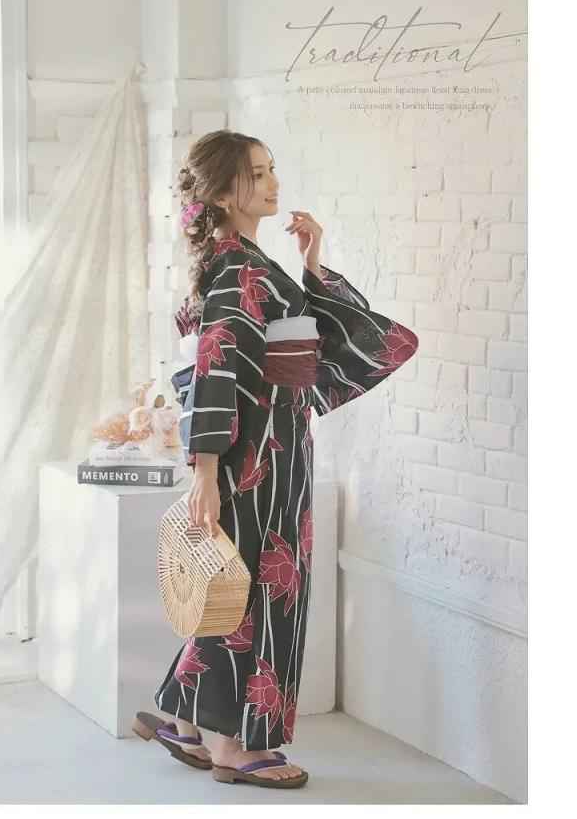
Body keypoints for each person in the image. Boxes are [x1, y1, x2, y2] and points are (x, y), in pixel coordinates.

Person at [149, 130, 419, 787]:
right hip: (257, 451)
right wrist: (206, 471)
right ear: (222, 194)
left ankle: (189, 724)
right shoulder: (238, 271)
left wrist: (313, 261)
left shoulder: (242, 261)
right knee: (256, 592)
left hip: (271, 440)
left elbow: (295, 341)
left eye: (272, 169)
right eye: (258, 173)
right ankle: (234, 748)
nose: (273, 183)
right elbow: (214, 371)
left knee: (232, 584)